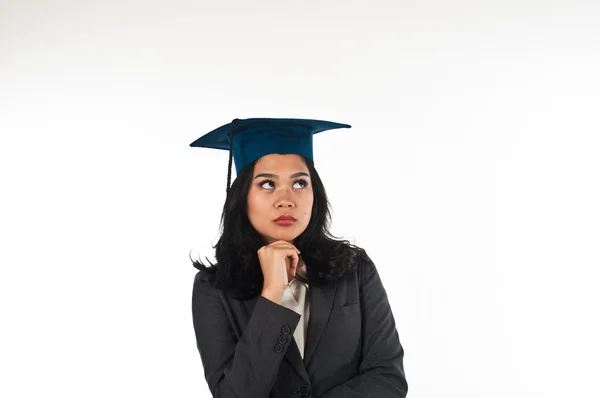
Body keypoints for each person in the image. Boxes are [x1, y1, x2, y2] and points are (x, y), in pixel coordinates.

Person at [189, 118, 408, 398]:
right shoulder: (213, 288)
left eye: (300, 183)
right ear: (242, 196)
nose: (286, 199)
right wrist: (271, 294)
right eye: (267, 184)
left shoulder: (355, 269)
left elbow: (388, 379)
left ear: (315, 193)